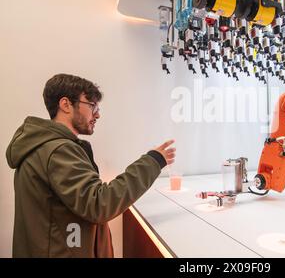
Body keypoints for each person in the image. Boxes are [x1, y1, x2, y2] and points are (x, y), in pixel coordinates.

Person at [6, 73, 176, 258]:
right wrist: (153, 162)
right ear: (65, 105)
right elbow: (99, 204)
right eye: (92, 105)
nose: (97, 114)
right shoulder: (58, 151)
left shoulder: (48, 147)